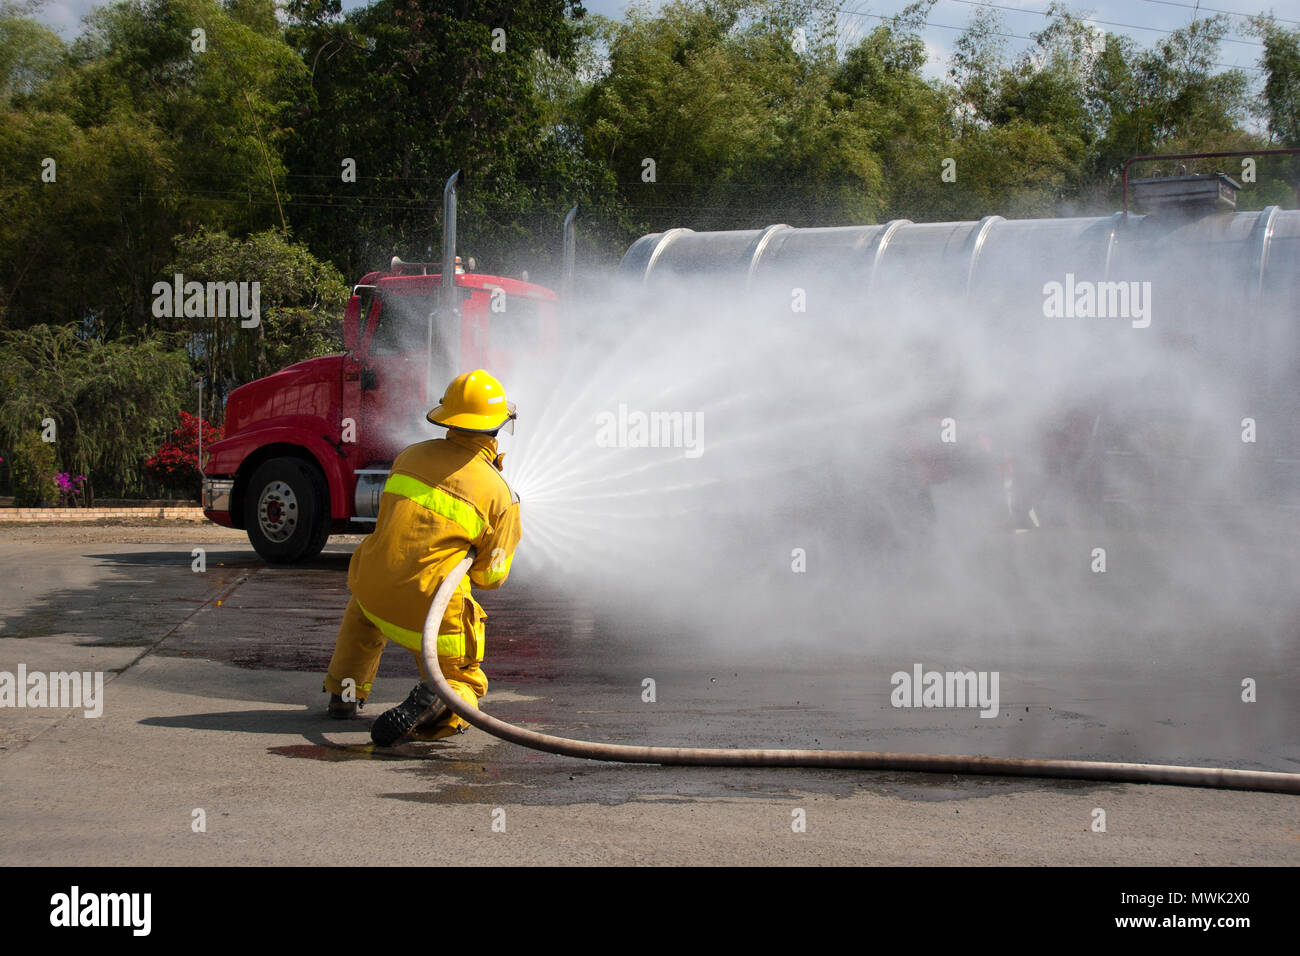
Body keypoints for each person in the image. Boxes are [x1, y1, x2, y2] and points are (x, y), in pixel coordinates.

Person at [322, 369, 522, 746]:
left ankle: (343, 696)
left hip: (372, 589)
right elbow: (489, 578)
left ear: (447, 418)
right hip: (428, 610)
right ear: (495, 429)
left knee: (362, 623)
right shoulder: (500, 495)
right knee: (462, 681)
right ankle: (438, 703)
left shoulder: (408, 456)